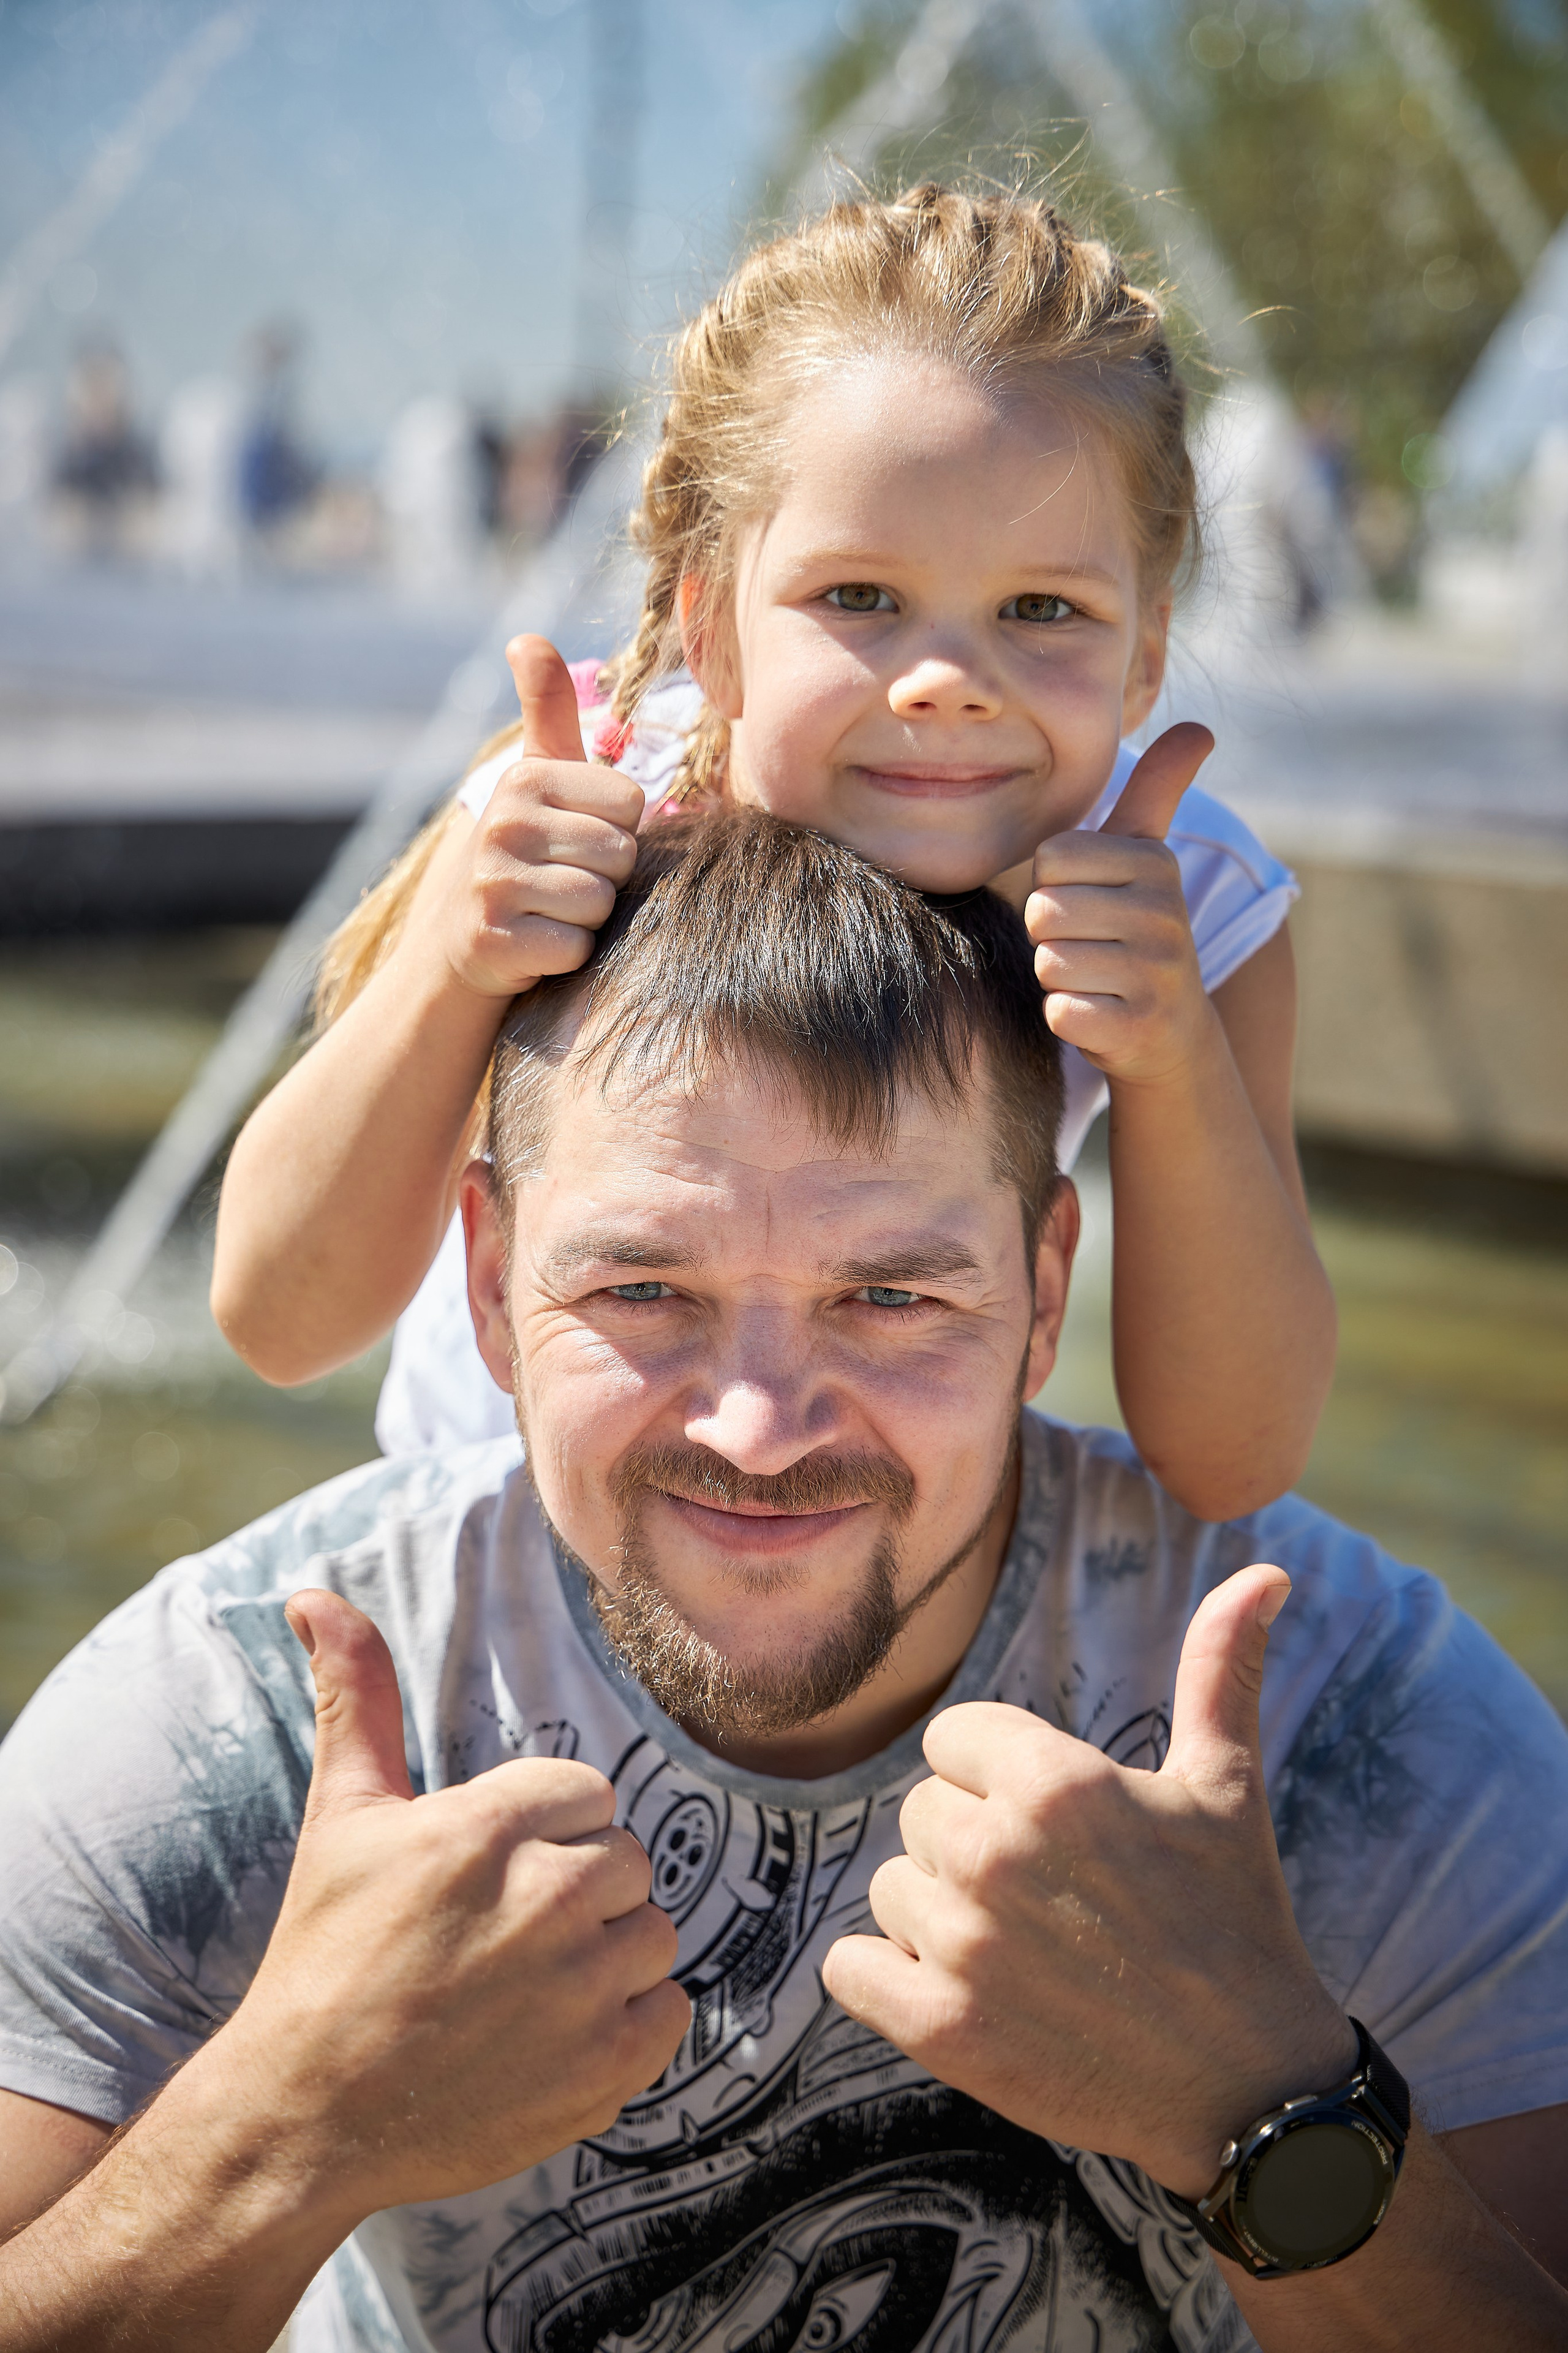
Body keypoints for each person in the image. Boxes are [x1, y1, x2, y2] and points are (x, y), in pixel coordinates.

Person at [2, 814, 1566, 2352]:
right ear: (488, 1283)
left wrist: (1265, 2102)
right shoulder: (252, 1704)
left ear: (1041, 1293)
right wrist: (281, 2129)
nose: (757, 1427)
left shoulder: (1349, 1721)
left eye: (888, 1295)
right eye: (642, 1290)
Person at [210, 183, 1335, 1524]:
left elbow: (1233, 1458)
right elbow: (278, 1319)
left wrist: (1169, 1052)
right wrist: (458, 954)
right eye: (859, 596)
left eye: (1043, 608)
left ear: (1145, 652)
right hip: (504, 1541)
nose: (946, 680)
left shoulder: (1188, 909)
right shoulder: (583, 801)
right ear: (710, 624)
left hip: (842, 1550)